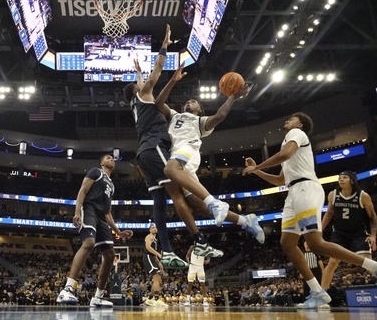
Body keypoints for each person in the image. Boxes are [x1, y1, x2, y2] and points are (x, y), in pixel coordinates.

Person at [242, 112, 377, 309]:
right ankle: (317, 291)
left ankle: (372, 266)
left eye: (292, 118)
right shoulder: (288, 142)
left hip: (306, 189)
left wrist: (258, 166)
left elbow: (285, 155)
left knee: (315, 243)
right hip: (293, 192)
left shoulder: (297, 134)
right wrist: (258, 170)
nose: (287, 120)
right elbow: (280, 180)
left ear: (301, 124)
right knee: (287, 243)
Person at [123, 25, 223, 264]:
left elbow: (139, 87)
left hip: (144, 153)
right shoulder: (143, 95)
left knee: (159, 200)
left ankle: (167, 251)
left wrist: (136, 73)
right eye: (141, 82)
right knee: (176, 192)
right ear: (139, 90)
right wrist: (165, 44)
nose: (145, 82)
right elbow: (157, 70)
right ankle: (199, 240)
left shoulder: (135, 103)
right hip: (155, 146)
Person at [154, 62, 265, 245]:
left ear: (200, 110)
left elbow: (220, 116)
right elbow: (159, 103)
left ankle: (215, 202)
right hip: (179, 156)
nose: (191, 101)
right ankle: (246, 220)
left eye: (195, 102)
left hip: (188, 151)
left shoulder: (200, 121)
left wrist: (233, 97)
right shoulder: (174, 115)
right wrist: (173, 80)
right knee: (200, 208)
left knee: (170, 170)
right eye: (188, 101)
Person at [57, 154, 133, 307]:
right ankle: (67, 289)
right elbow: (83, 191)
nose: (112, 159)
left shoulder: (112, 185)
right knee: (89, 242)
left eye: (113, 159)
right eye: (108, 157)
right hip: (89, 209)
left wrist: (118, 232)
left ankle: (98, 297)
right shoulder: (96, 172)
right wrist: (77, 212)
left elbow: (108, 213)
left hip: (101, 216)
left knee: (110, 255)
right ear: (101, 162)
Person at [320, 171, 377, 295]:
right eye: (339, 178)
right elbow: (329, 214)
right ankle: (321, 295)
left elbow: (372, 216)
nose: (341, 180)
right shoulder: (333, 195)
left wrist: (373, 236)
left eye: (344, 177)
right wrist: (320, 231)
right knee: (332, 262)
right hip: (339, 233)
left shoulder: (363, 196)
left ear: (352, 180)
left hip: (358, 233)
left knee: (367, 262)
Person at [141, 224, 169, 308]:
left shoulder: (155, 239)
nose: (154, 228)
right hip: (148, 257)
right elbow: (148, 247)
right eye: (152, 227)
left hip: (152, 258)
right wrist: (159, 254)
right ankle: (156, 299)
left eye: (156, 227)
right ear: (150, 230)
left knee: (158, 280)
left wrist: (158, 262)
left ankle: (149, 299)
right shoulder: (149, 236)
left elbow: (154, 254)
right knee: (156, 278)